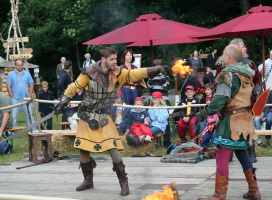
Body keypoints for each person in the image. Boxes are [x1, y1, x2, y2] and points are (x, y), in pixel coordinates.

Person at [53, 47, 167, 196]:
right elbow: (74, 87)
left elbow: (135, 73)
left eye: (115, 59)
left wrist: (158, 69)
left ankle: (123, 183)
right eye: (112, 59)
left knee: (113, 149)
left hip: (105, 116)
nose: (115, 62)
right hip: (87, 115)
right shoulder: (89, 72)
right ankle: (88, 180)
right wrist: (63, 102)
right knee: (83, 148)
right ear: (104, 59)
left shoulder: (118, 73)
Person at [197, 44, 261, 200]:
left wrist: (203, 113)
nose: (222, 56)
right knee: (242, 154)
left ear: (229, 57)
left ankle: (219, 195)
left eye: (224, 54)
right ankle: (254, 190)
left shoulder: (227, 74)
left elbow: (220, 100)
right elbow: (254, 94)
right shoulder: (248, 73)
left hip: (231, 122)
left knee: (222, 157)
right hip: (245, 121)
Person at [147, 59, 171, 147]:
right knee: (153, 119)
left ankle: (167, 142)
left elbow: (166, 86)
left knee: (165, 121)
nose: (157, 70)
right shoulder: (151, 76)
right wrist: (151, 77)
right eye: (155, 68)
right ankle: (154, 143)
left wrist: (161, 76)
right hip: (153, 100)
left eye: (158, 68)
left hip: (163, 100)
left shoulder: (165, 76)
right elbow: (149, 86)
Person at [6, 59, 37, 131]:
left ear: (22, 65)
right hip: (15, 99)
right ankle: (12, 132)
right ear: (15, 65)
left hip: (26, 99)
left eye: (21, 65)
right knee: (13, 117)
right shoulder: (11, 74)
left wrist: (30, 94)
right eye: (18, 65)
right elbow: (8, 86)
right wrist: (12, 97)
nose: (19, 66)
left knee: (29, 116)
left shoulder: (27, 74)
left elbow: (31, 84)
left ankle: (34, 130)